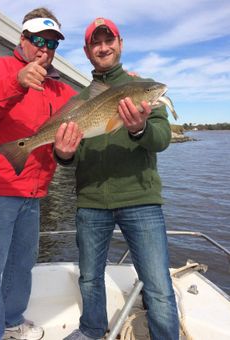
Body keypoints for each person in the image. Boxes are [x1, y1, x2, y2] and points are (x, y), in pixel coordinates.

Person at [54, 18, 180, 340]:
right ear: (86, 51)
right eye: (96, 43)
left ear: (120, 43)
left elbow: (163, 138)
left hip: (141, 200)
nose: (103, 47)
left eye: (108, 40)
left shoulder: (143, 88)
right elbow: (71, 157)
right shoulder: (80, 101)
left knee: (158, 286)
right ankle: (91, 330)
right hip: (92, 201)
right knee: (89, 278)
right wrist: (64, 153)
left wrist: (139, 128)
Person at [0, 8, 77, 340]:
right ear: (23, 40)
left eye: (52, 43)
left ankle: (12, 320)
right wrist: (16, 81)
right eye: (39, 40)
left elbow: (85, 122)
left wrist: (65, 153)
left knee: (21, 266)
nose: (45, 49)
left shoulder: (62, 91)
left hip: (32, 193)